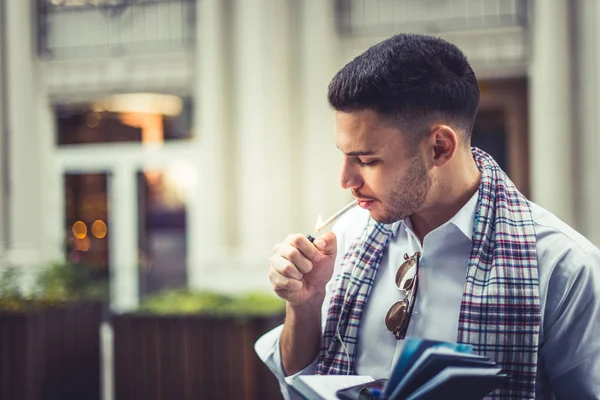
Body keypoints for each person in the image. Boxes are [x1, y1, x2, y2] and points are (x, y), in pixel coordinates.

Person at [255, 33, 600, 400]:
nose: (345, 180)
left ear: (439, 147)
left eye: (368, 160)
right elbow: (298, 384)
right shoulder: (347, 238)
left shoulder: (563, 266)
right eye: (344, 154)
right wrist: (305, 303)